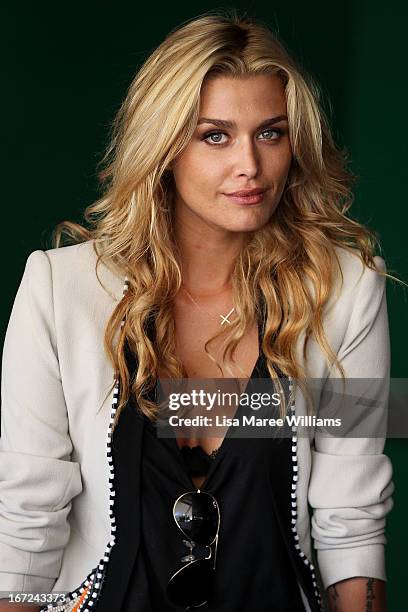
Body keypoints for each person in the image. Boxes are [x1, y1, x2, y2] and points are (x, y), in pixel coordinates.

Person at [0, 10, 397, 612]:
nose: (250, 165)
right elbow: (25, 520)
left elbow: (353, 516)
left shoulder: (343, 291)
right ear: (164, 145)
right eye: (215, 135)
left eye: (271, 132)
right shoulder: (61, 288)